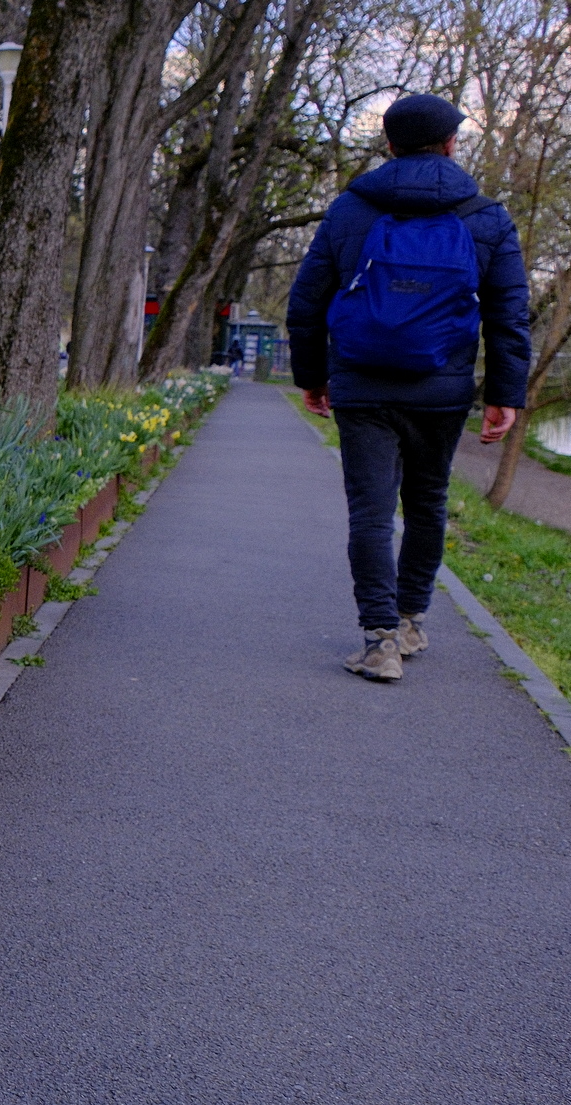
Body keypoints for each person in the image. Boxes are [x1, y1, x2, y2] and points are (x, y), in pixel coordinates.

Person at [287, 93, 530, 682]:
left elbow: (307, 301)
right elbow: (508, 316)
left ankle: (379, 642)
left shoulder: (351, 210)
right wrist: (505, 395)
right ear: (450, 144)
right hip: (442, 389)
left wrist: (312, 377)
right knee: (427, 504)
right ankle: (413, 621)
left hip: (362, 386)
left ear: (389, 146)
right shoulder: (485, 216)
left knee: (370, 513)